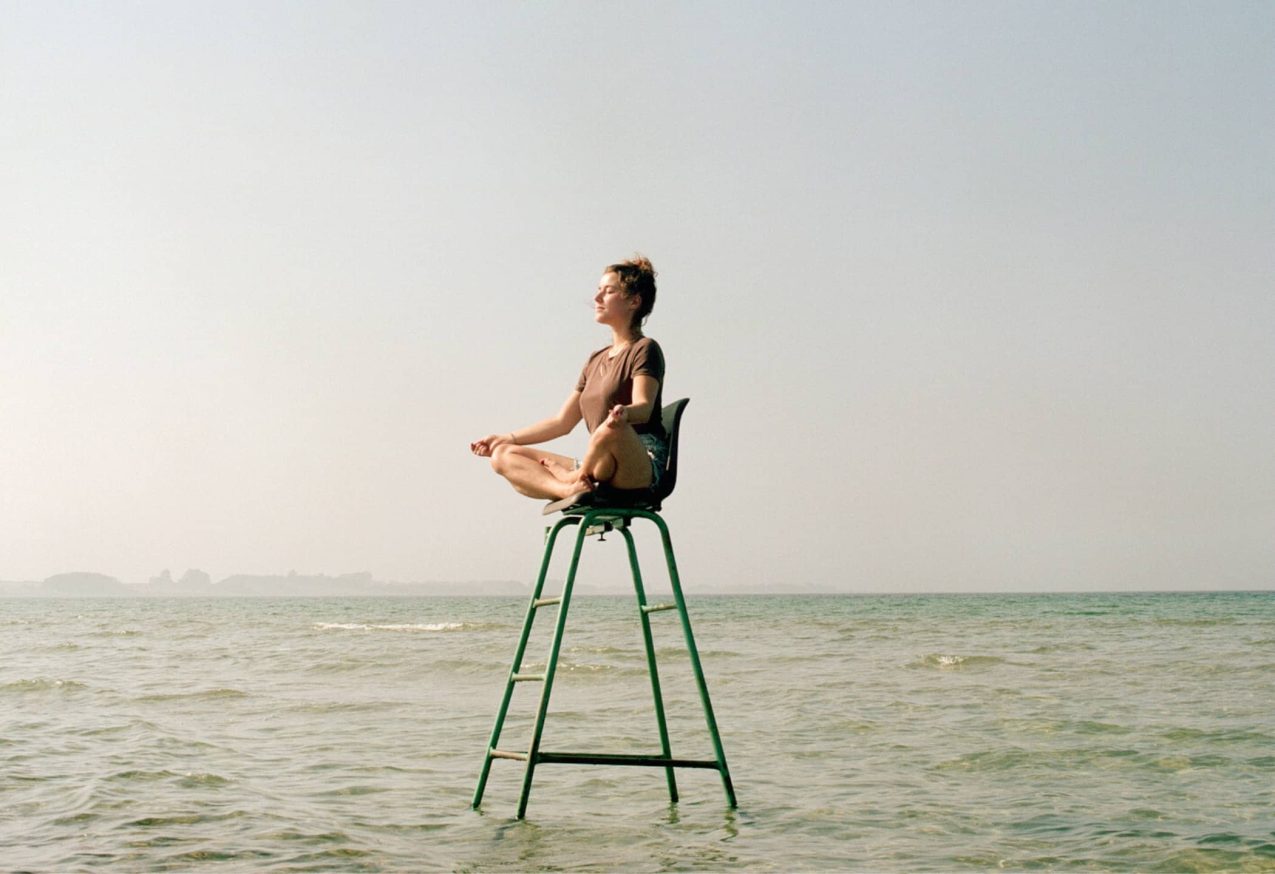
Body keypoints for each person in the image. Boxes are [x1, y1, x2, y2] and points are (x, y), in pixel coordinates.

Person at [470, 256, 667, 502]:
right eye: (599, 291)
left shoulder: (644, 349)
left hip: (639, 464)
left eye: (608, 292)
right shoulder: (595, 360)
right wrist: (506, 438)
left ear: (634, 301)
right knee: (502, 455)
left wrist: (622, 415)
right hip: (601, 464)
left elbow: (644, 407)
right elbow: (562, 422)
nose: (597, 299)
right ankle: (568, 489)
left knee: (609, 428)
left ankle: (571, 477)